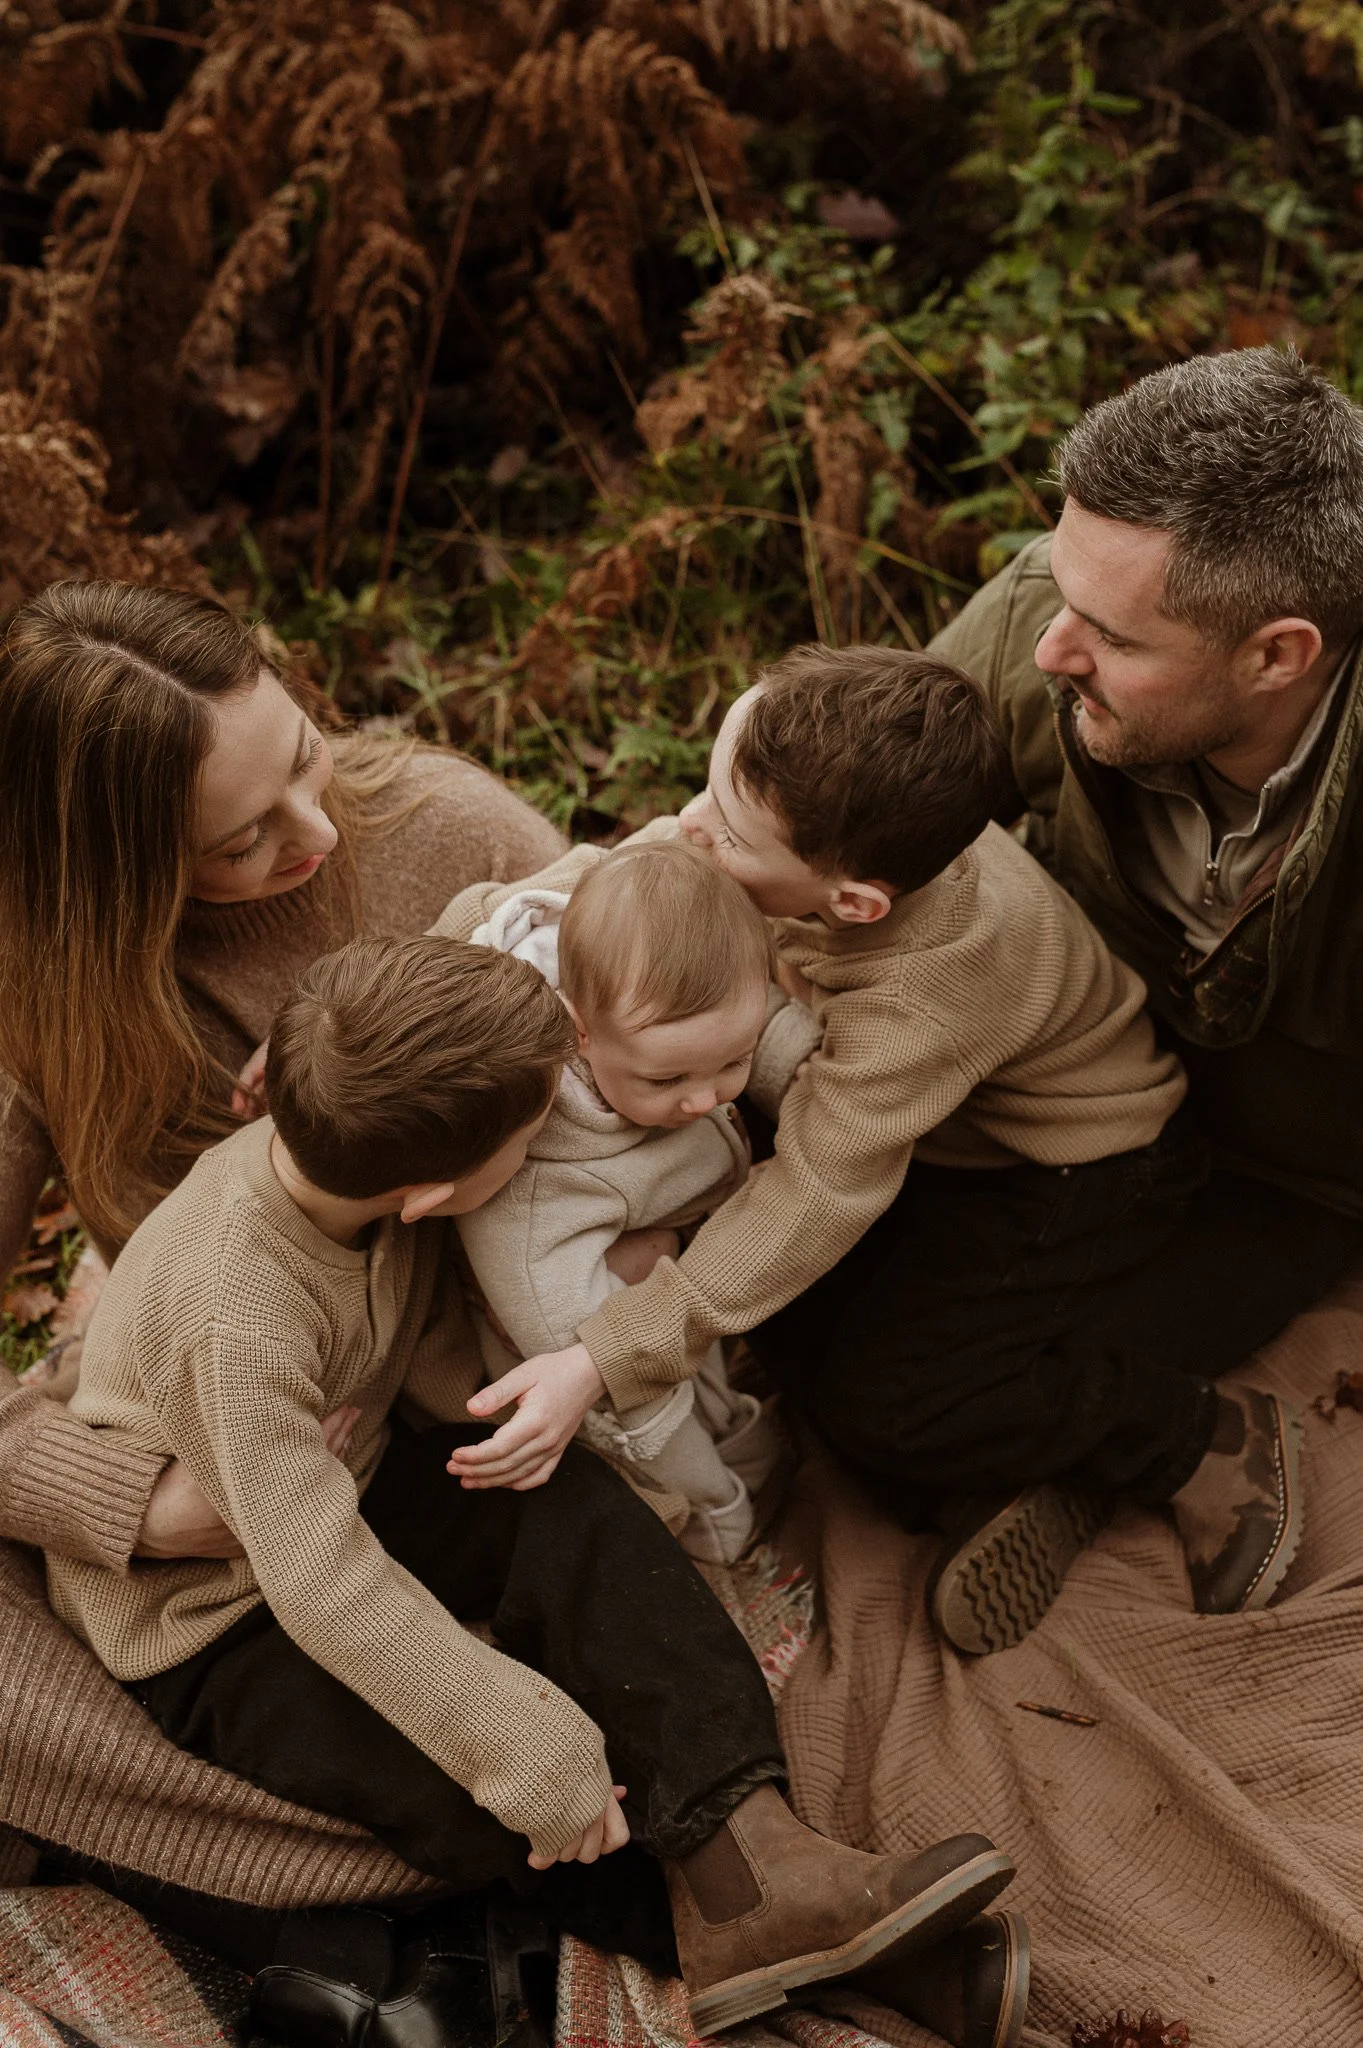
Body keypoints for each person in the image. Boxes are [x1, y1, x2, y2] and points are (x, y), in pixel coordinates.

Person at [46, 931, 1019, 2043]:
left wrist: (506, 1401)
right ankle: (744, 1934)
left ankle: (761, 1849)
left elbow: (399, 1332)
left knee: (564, 1503)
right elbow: (323, 1585)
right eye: (530, 1140)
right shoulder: (239, 1313)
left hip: (342, 1489)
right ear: (430, 1195)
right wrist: (521, 1739)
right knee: (468, 1789)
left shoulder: (354, 1162)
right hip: (216, 1609)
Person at [431, 648, 1300, 1650]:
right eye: (711, 783)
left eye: (729, 826)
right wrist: (410, 990)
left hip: (1075, 1166)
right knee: (790, 1327)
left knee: (881, 1400)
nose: (693, 824)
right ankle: (999, 1468)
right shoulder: (782, 812)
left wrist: (603, 1354)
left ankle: (1190, 1442)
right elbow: (624, 882)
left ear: (851, 904)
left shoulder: (919, 996)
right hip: (909, 1127)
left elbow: (815, 1193)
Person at [0, 579, 564, 2013]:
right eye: (239, 840)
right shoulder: (39, 995)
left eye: (302, 753)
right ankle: (414, 1900)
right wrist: (110, 1499)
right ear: (113, 867)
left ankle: (413, 1884)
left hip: (479, 1409)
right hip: (222, 1483)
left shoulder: (447, 829)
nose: (312, 837)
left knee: (541, 1616)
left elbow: (679, 1049)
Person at [917, 343, 1363, 1625]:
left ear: (1278, 654)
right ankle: (1055, 1445)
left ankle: (1170, 1450)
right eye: (1058, 588)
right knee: (819, 1326)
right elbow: (839, 803)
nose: (1052, 646)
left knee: (901, 1390)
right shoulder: (1038, 626)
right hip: (1077, 1112)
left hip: (1281, 1178)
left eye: (1112, 635)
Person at [459, 839, 806, 1562]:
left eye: (732, 1061)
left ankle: (753, 1444)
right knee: (667, 1419)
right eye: (666, 1080)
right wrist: (715, 1505)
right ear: (578, 1030)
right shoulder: (535, 1181)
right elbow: (618, 1396)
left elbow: (760, 1018)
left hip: (673, 1245)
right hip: (582, 1347)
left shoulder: (657, 991)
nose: (706, 1096)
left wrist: (798, 1064)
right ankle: (721, 1523)